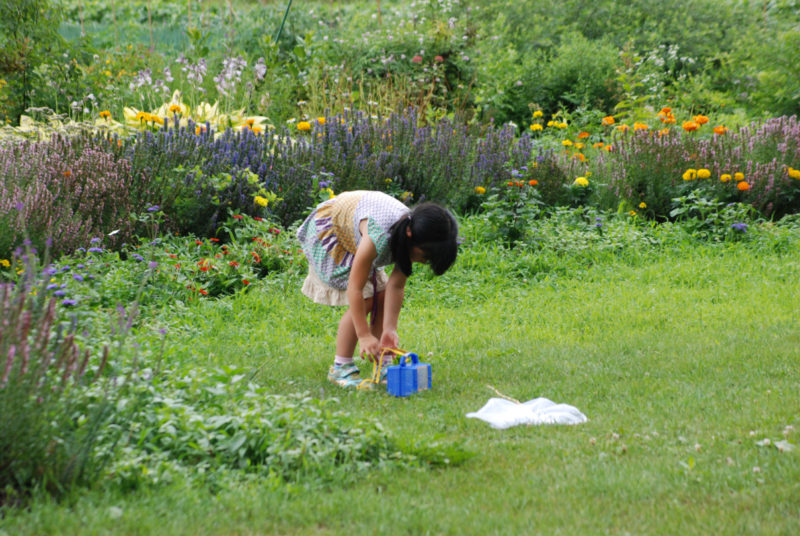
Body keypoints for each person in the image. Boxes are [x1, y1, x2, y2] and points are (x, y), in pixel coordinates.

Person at [296, 190, 458, 389]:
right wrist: (364, 335)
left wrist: (390, 329)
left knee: (380, 295)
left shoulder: (414, 231)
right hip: (333, 231)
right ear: (410, 235)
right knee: (366, 298)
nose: (424, 262)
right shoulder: (379, 235)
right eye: (425, 255)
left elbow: (396, 286)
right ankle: (341, 366)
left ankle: (382, 360)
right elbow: (354, 288)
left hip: (360, 229)